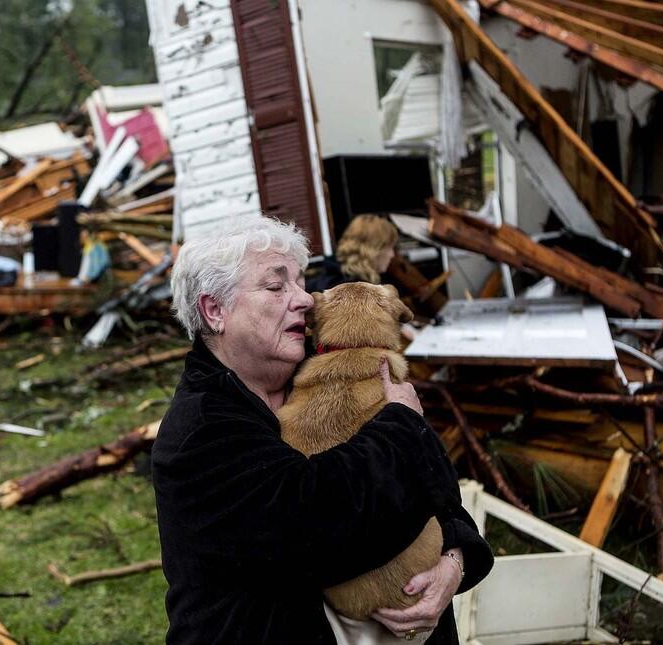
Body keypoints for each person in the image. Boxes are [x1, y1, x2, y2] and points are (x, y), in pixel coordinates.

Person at [153, 215, 492, 645]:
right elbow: (320, 519)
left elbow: (439, 485)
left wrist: (455, 559)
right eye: (277, 287)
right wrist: (403, 426)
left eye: (300, 281)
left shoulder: (328, 370)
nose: (306, 300)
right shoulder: (200, 433)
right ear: (215, 310)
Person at [307, 214, 400, 293]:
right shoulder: (354, 292)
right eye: (389, 247)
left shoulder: (335, 279)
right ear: (374, 249)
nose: (392, 254)